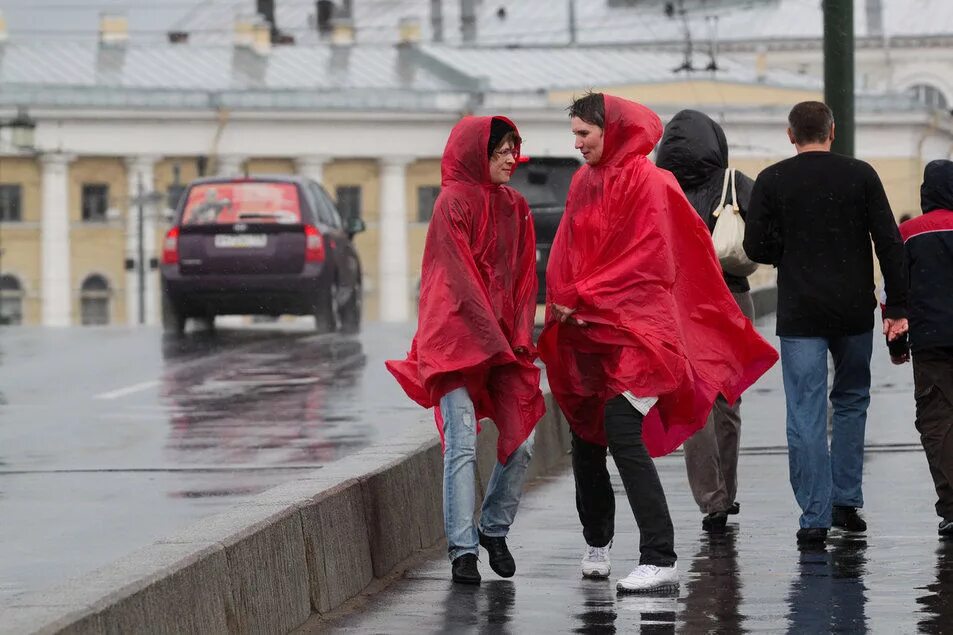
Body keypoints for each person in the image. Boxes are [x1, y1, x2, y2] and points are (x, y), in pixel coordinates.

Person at [538, 93, 778, 593]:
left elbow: (652, 260)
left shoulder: (651, 182)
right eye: (575, 133)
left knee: (622, 432)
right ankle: (598, 540)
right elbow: (569, 248)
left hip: (644, 335)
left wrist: (583, 294)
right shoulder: (586, 182)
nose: (576, 143)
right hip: (594, 334)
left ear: (613, 131)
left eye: (585, 134)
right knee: (587, 437)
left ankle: (660, 554)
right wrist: (564, 300)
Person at [386, 116, 544, 585]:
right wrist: (493, 337)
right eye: (501, 152)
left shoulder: (516, 207)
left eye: (514, 150)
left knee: (524, 437)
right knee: (461, 440)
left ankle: (494, 529)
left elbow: (522, 282)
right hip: (455, 341)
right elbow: (457, 280)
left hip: (500, 344)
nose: (511, 160)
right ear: (479, 154)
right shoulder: (451, 203)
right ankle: (463, 551)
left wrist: (516, 338)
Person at [743, 100, 908, 546]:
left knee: (805, 412)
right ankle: (846, 502)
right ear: (832, 132)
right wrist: (897, 307)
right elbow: (890, 243)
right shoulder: (861, 175)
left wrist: (790, 253)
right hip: (853, 308)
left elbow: (754, 246)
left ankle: (814, 517)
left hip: (800, 312)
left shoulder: (773, 180)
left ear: (790, 134)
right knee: (852, 400)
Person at [655, 109, 758, 533]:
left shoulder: (660, 187)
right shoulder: (736, 183)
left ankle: (711, 500)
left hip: (682, 303)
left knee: (694, 404)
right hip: (731, 301)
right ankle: (727, 492)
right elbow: (765, 238)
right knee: (727, 401)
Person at [895, 159, 953, 538]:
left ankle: (950, 506)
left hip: (931, 341)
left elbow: (895, 292)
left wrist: (896, 340)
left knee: (936, 421)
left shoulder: (909, 233)